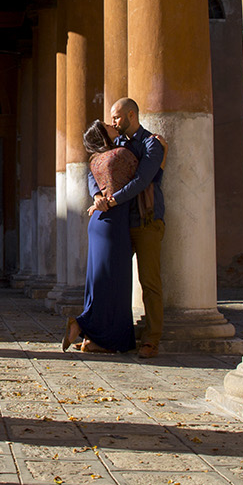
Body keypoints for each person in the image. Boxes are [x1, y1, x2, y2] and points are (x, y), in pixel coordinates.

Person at [94, 97, 165, 358]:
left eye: (117, 117)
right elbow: (95, 171)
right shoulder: (116, 145)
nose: (113, 122)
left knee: (150, 282)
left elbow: (141, 180)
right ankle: (110, 337)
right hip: (119, 223)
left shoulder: (151, 145)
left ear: (132, 115)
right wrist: (97, 197)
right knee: (113, 281)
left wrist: (111, 200)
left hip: (146, 221)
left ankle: (151, 339)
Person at [63, 120, 137, 354]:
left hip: (99, 222)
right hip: (113, 222)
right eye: (108, 124)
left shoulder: (94, 160)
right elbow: (144, 177)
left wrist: (97, 196)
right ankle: (86, 327)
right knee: (115, 283)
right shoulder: (122, 154)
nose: (112, 123)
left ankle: (92, 338)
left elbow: (95, 183)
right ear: (104, 135)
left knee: (100, 281)